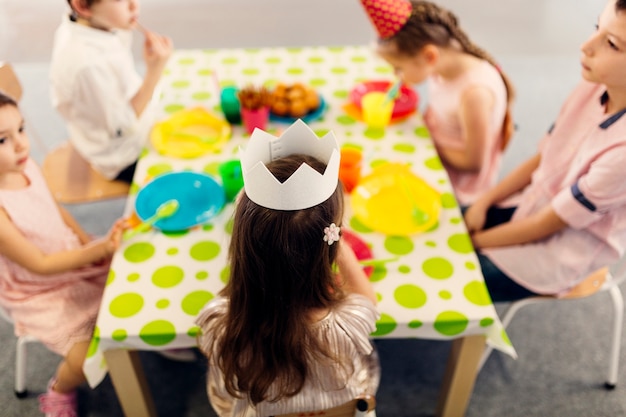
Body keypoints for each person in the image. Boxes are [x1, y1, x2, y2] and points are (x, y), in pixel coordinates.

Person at [196, 121, 380, 416]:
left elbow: (223, 394)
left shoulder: (220, 322)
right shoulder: (346, 326)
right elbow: (368, 302)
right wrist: (339, 248)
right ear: (330, 242)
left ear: (244, 243)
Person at [463, 0, 626, 302]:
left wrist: (473, 242)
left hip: (562, 250)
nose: (586, 47)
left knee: (456, 277)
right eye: (596, 29)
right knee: (445, 222)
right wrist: (483, 202)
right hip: (534, 204)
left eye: (612, 44)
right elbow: (544, 156)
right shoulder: (594, 84)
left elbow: (550, 224)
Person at [0, 91, 127, 417]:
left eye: (22, 129)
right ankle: (59, 389)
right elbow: (40, 266)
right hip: (39, 289)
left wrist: (87, 243)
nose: (20, 145)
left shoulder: (26, 166)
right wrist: (96, 250)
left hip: (70, 254)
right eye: (2, 140)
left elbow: (58, 212)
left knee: (134, 269)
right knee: (86, 358)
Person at [358, 0, 515, 206]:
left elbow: (474, 163)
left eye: (399, 68)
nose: (396, 75)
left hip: (459, 186)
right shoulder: (443, 64)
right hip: (435, 145)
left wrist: (431, 143)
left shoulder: (474, 95)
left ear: (429, 56)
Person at [49, 0, 173, 183]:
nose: (134, 5)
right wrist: (154, 71)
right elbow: (123, 127)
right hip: (123, 154)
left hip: (131, 115)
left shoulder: (98, 24)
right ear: (83, 6)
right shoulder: (86, 64)